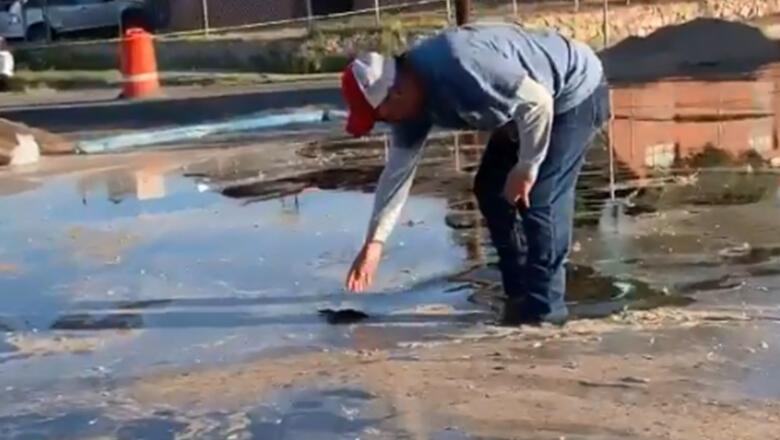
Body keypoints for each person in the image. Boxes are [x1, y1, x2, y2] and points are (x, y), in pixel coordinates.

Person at [340, 23, 610, 325]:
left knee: (541, 198)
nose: (383, 124)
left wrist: (526, 167)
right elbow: (397, 173)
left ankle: (545, 317)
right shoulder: (408, 107)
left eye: (378, 116)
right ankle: (519, 289)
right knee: (491, 189)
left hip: (572, 92)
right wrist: (374, 243)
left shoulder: (461, 65)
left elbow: (538, 102)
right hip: (521, 112)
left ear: (397, 93)